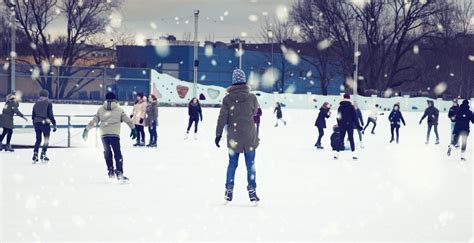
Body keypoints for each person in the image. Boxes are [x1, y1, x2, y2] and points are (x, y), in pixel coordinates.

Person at [215, 69, 260, 205]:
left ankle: (229, 189)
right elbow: (255, 111)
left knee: (232, 164)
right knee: (250, 165)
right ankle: (252, 190)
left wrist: (218, 134)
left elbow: (222, 118)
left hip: (234, 137)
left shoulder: (227, 99)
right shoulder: (252, 97)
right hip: (249, 136)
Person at [82, 92, 137, 182]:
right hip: (114, 134)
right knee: (117, 153)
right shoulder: (119, 109)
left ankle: (110, 170)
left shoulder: (101, 109)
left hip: (104, 135)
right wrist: (133, 129)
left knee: (107, 152)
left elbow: (94, 120)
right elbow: (128, 120)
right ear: (115, 99)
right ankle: (119, 172)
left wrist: (87, 130)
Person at [31, 89, 57, 163]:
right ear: (46, 96)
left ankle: (35, 154)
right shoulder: (48, 103)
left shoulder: (36, 104)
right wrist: (54, 124)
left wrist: (35, 122)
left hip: (37, 123)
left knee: (38, 139)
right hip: (45, 123)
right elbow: (50, 115)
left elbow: (33, 116)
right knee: (46, 139)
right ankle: (43, 154)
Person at [335, 94, 360, 160]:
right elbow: (355, 117)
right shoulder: (351, 107)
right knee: (351, 139)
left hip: (342, 125)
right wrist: (358, 126)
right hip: (350, 125)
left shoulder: (340, 107)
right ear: (349, 98)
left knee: (341, 139)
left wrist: (339, 124)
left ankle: (337, 154)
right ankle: (354, 154)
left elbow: (338, 117)